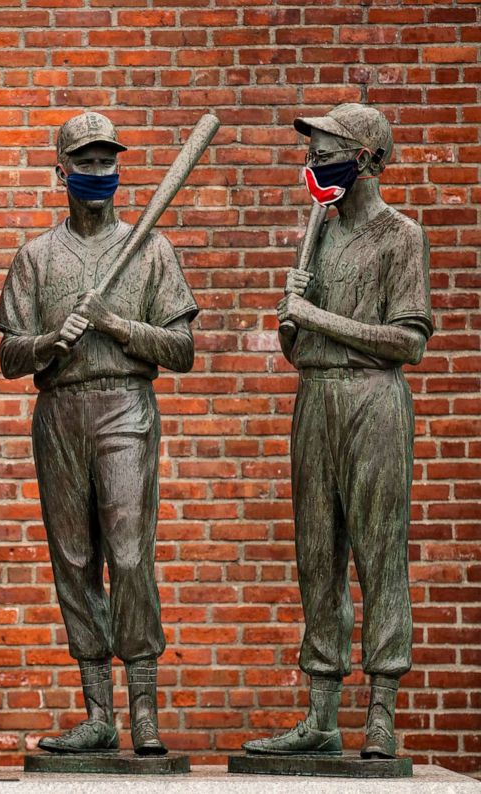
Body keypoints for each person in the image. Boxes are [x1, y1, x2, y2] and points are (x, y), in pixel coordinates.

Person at [0, 111, 197, 755]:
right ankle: (97, 711)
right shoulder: (37, 255)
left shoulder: (150, 249)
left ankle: (143, 707)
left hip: (126, 407)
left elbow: (183, 348)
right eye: (84, 162)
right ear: (62, 171)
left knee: (130, 555)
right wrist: (50, 342)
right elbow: (8, 355)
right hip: (59, 411)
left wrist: (114, 323)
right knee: (75, 560)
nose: (97, 173)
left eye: (107, 162)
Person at [244, 103, 432, 759]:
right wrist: (291, 323)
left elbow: (408, 343)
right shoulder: (318, 231)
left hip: (374, 401)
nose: (317, 162)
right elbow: (298, 347)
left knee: (380, 555)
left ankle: (381, 712)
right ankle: (321, 716)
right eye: (314, 150)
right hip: (316, 398)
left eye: (330, 150)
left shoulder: (400, 235)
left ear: (371, 158)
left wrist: (315, 317)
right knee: (316, 558)